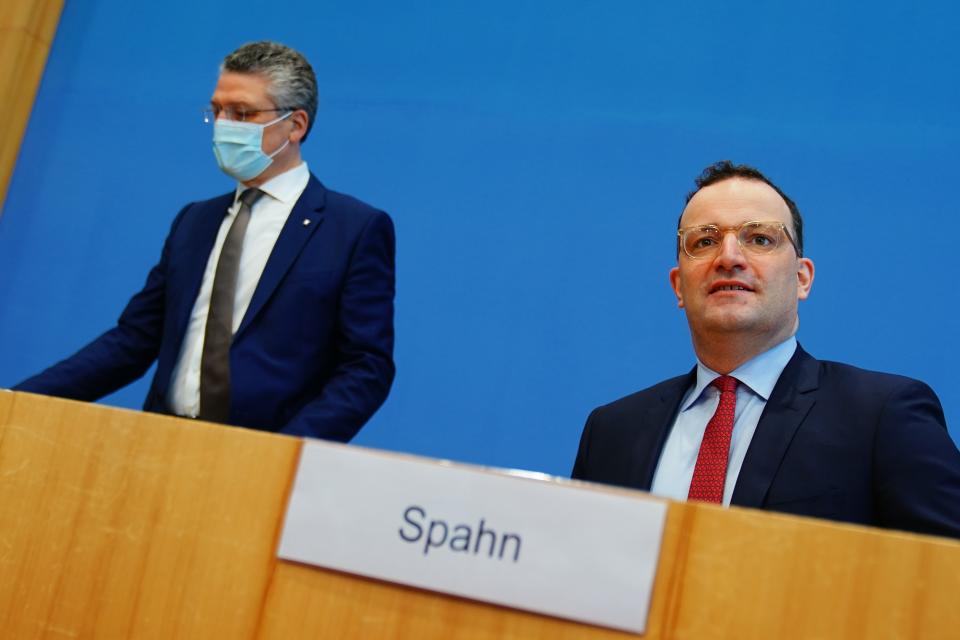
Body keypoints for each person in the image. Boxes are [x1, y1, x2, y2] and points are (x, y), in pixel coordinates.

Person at [14, 41, 395, 442]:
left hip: (264, 459)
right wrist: (19, 400)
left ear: (295, 125)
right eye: (217, 111)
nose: (224, 125)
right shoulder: (195, 221)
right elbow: (134, 340)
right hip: (159, 443)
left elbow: (365, 367)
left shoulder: (352, 228)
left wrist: (284, 452)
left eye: (242, 113)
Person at [572, 160, 960, 538]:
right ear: (678, 286)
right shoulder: (611, 433)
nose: (728, 257)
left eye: (759, 239)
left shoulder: (882, 417)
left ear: (802, 278)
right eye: (705, 241)